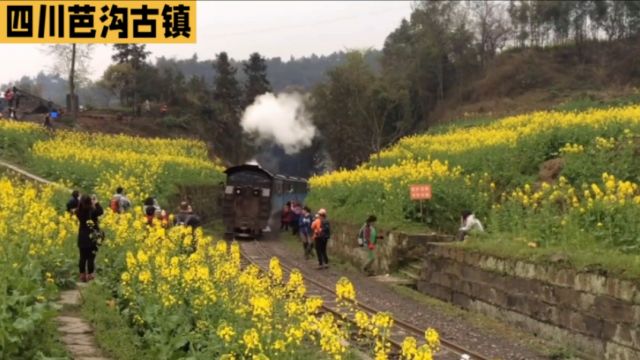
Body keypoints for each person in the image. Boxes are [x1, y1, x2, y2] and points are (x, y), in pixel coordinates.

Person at [76, 194, 104, 282]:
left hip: (82, 236)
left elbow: (82, 206)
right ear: (90, 201)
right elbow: (101, 211)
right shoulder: (93, 211)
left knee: (82, 257)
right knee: (91, 257)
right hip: (93, 235)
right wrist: (96, 202)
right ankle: (90, 275)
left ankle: (82, 275)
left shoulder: (78, 211)